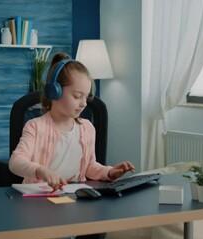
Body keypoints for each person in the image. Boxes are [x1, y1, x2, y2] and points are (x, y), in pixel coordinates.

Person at [9, 52, 135, 191]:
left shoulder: (87, 128)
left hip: (74, 197)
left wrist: (109, 172)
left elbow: (89, 167)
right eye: (77, 96)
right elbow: (15, 162)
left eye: (86, 97)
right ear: (54, 92)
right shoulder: (35, 127)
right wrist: (41, 170)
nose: (84, 103)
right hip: (39, 199)